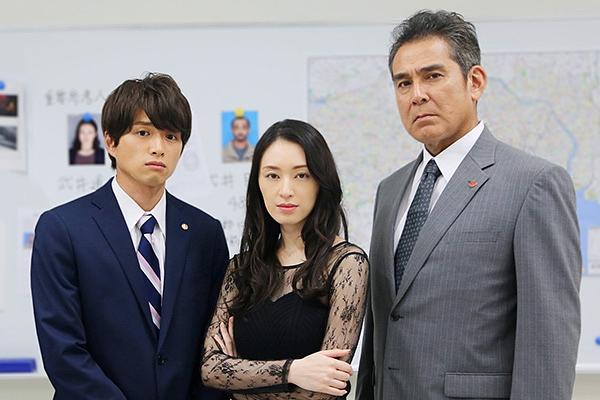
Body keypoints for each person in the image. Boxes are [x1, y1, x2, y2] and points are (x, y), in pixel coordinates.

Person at [356, 10, 581, 400]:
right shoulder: (389, 191)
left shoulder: (534, 184)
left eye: (432, 76)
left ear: (474, 82)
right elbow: (382, 329)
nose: (417, 94)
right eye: (403, 82)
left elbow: (548, 344)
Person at [31, 73, 229, 400]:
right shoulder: (63, 228)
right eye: (143, 132)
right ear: (110, 141)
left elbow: (214, 345)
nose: (158, 147)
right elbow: (63, 350)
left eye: (171, 136)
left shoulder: (205, 233)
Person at [201, 119, 369, 399]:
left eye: (301, 175)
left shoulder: (347, 264)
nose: (286, 190)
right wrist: (294, 371)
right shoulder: (242, 268)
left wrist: (241, 380)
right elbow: (211, 369)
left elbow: (325, 389)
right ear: (258, 184)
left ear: (321, 182)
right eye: (272, 175)